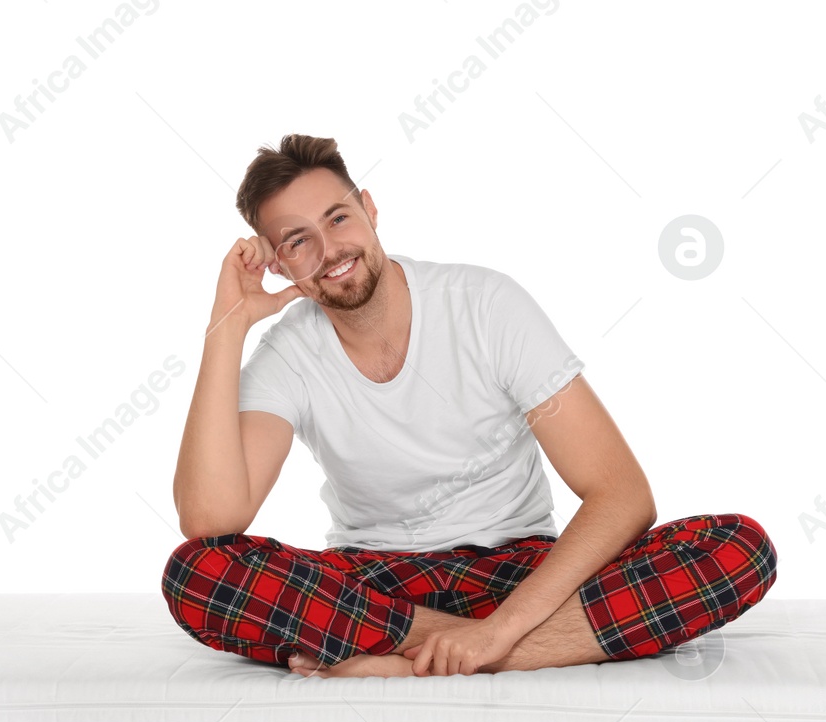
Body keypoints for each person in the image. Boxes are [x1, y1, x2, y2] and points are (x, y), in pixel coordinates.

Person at [162, 134, 778, 679]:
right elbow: (211, 519)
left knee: (735, 547)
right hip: (378, 587)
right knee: (199, 572)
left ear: (370, 211)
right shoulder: (289, 352)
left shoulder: (485, 305)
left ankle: (410, 664)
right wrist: (227, 326)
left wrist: (500, 631)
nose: (329, 249)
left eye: (339, 218)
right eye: (298, 240)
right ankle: (452, 649)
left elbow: (622, 495)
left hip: (516, 573)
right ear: (277, 262)